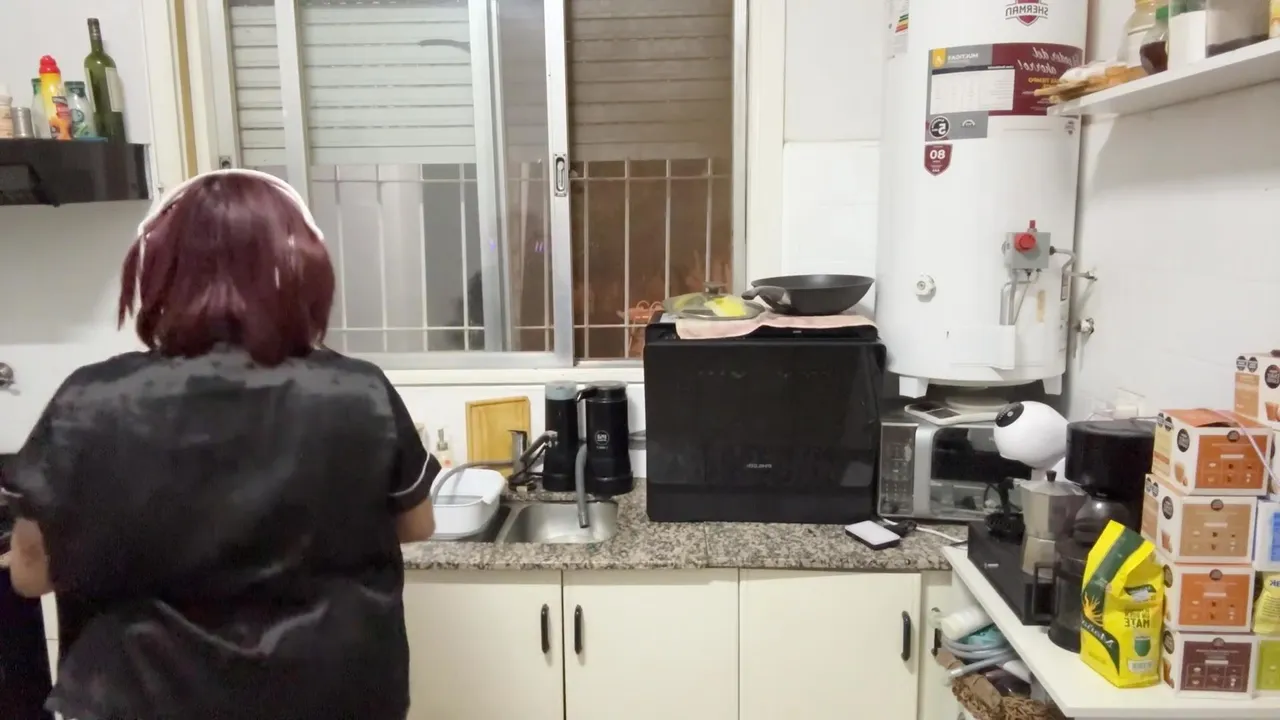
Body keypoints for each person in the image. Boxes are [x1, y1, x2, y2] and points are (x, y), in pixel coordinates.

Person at [0, 169, 439, 720]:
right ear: (302, 271)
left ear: (156, 273)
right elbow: (417, 524)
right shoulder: (358, 392)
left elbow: (30, 572)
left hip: (138, 699)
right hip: (329, 697)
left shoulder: (90, 400)